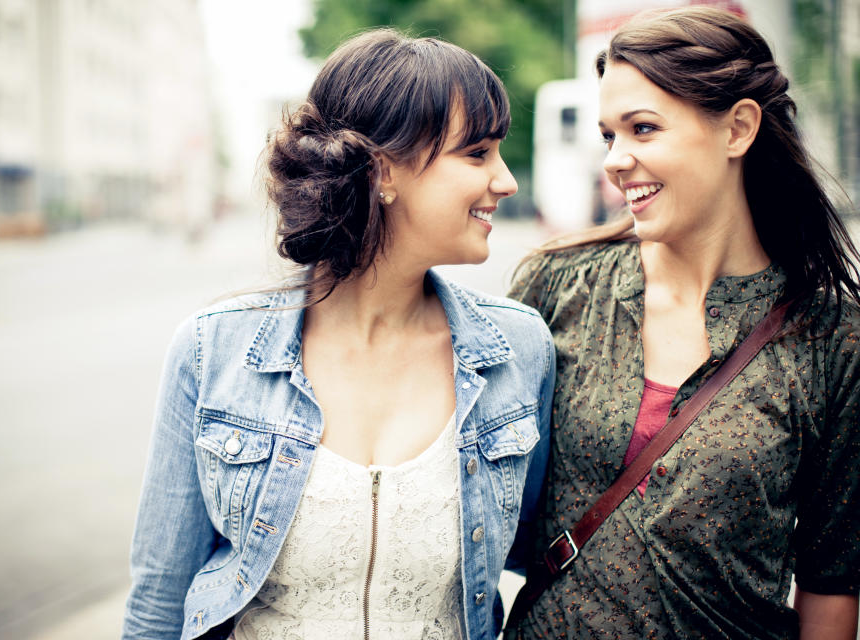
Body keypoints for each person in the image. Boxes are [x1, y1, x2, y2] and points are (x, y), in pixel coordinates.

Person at [122, 29, 555, 640]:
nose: (506, 181)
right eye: (478, 153)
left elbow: (539, 558)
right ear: (383, 171)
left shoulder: (519, 350)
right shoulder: (212, 350)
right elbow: (159, 602)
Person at [506, 7, 859, 640]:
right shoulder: (558, 283)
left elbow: (832, 584)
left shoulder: (831, 336)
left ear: (738, 129)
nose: (616, 160)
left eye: (643, 129)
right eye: (609, 135)